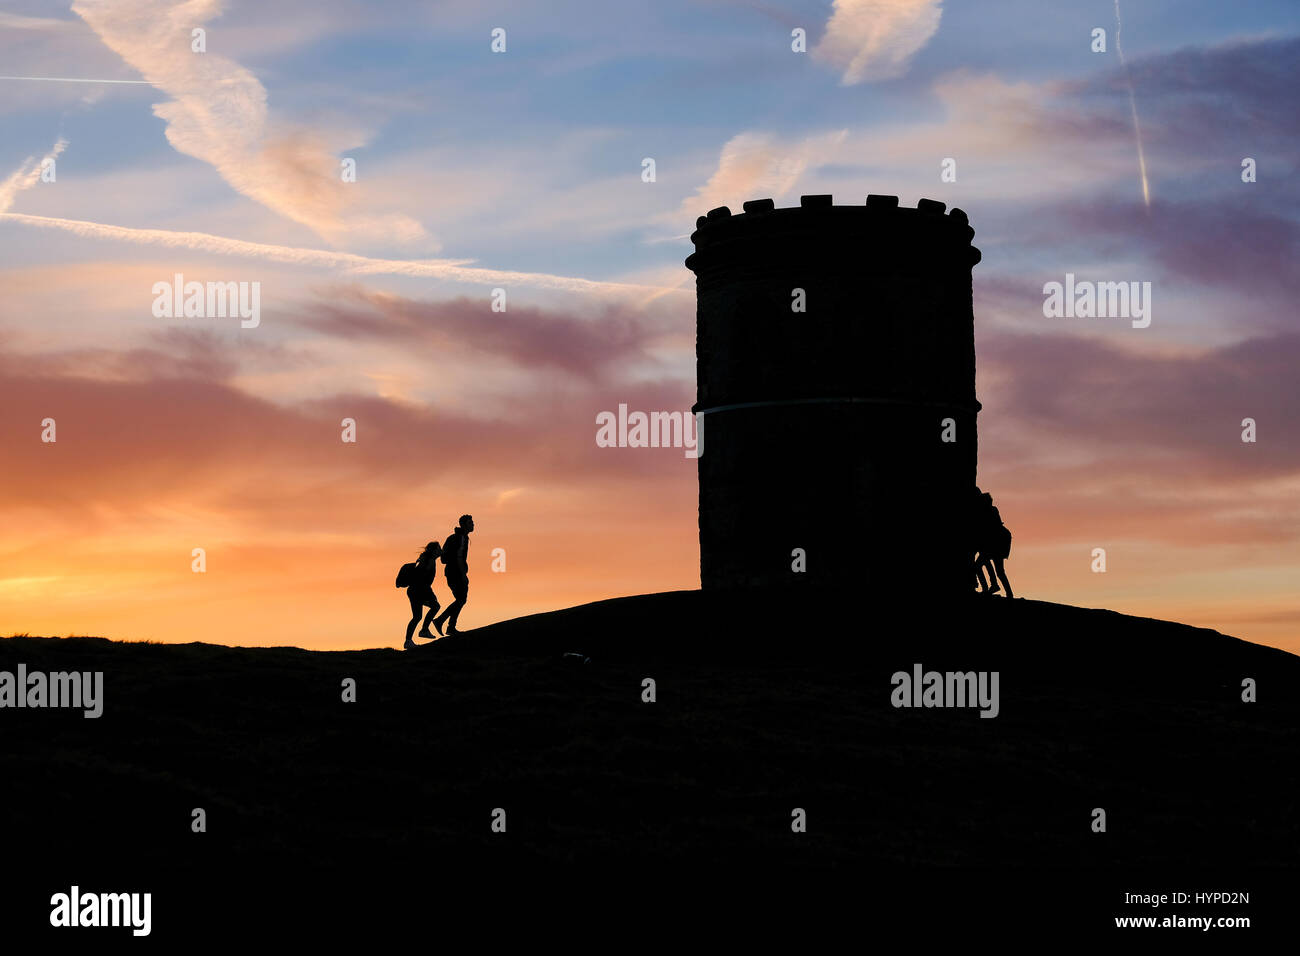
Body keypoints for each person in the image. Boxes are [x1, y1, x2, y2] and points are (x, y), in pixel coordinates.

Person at [432, 514, 474, 636]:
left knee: (461, 599)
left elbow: (444, 558)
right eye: (470, 523)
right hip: (455, 573)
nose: (473, 525)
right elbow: (458, 557)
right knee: (461, 599)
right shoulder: (461, 538)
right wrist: (463, 574)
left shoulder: (456, 537)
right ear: (464, 525)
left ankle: (449, 625)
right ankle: (442, 622)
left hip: (451, 572)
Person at [403, 541, 442, 650]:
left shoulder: (427, 559)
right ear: (434, 551)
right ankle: (423, 631)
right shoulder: (429, 561)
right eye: (439, 548)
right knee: (434, 607)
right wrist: (429, 594)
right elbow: (422, 578)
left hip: (415, 590)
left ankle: (409, 640)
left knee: (417, 616)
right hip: (419, 590)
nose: (440, 550)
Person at [976, 492, 1014, 598]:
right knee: (1000, 571)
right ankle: (1008, 593)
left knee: (978, 566)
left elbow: (988, 529)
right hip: (998, 545)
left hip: (994, 545)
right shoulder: (993, 510)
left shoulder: (988, 512)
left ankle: (987, 588)